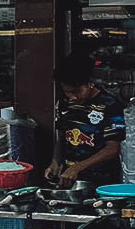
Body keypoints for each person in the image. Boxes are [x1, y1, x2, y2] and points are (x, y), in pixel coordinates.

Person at [46, 54, 125, 188]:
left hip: (102, 181)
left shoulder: (110, 104)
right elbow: (62, 137)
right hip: (69, 179)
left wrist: (78, 168)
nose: (73, 97)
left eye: (77, 91)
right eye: (67, 91)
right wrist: (55, 162)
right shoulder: (65, 103)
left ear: (90, 82)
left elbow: (113, 149)